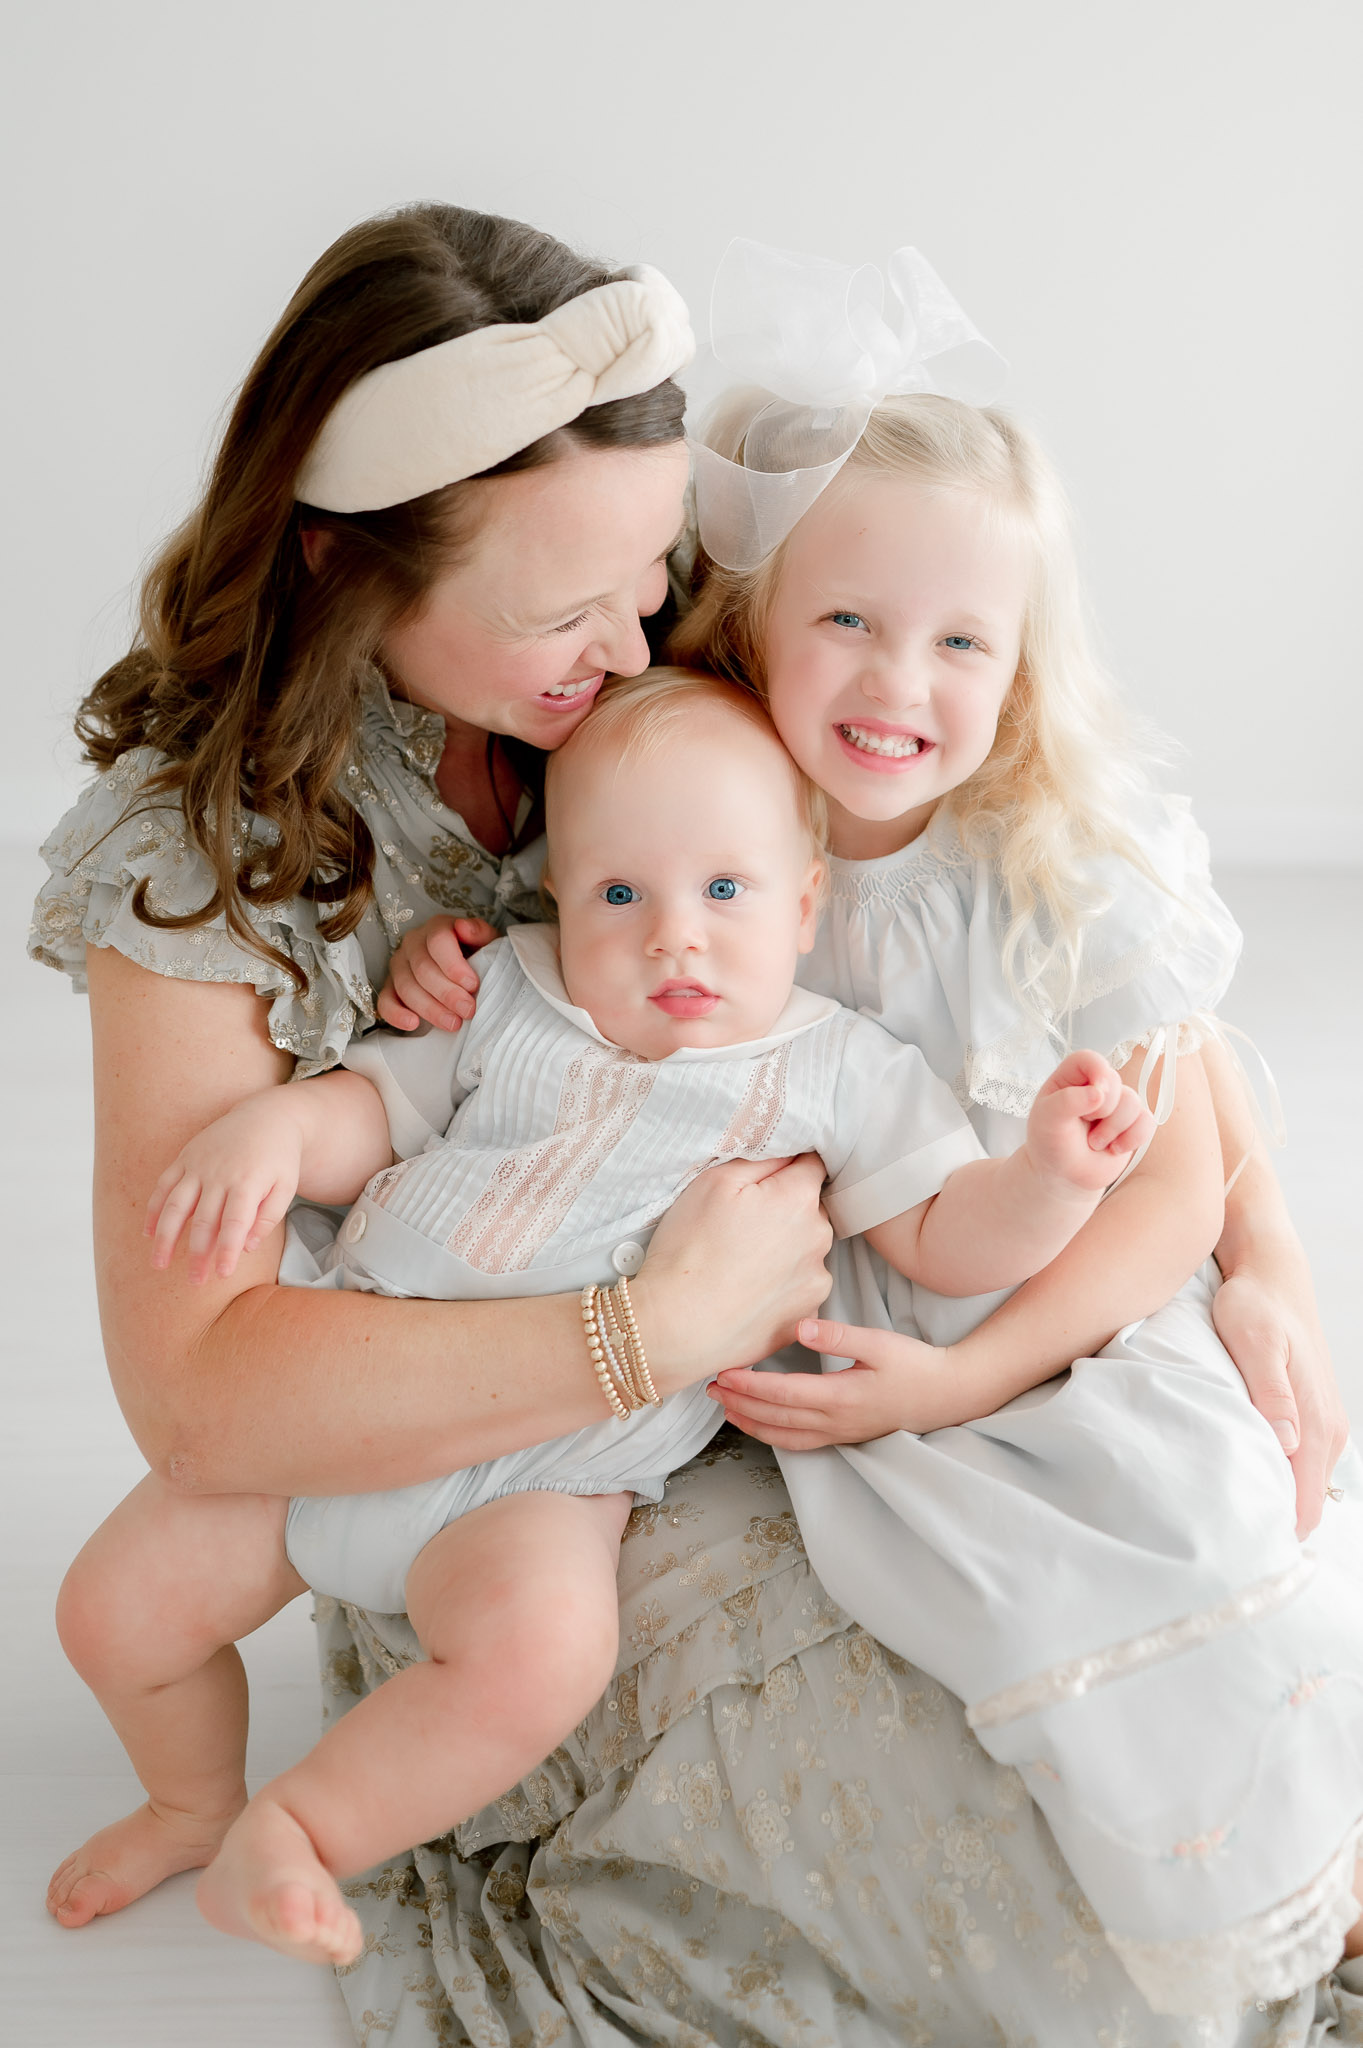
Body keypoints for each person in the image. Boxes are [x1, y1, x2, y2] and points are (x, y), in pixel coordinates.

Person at [31, 206, 1356, 2044]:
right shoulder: (200, 874)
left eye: (651, 573)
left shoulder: (680, 679)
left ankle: (1281, 1871)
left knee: (1099, 1740)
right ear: (345, 567)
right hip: (471, 1443)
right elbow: (202, 1395)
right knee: (956, 1863)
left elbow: (1075, 930)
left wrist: (1265, 1240)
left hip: (758, 1405)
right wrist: (645, 1326)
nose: (641, 631)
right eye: (567, 605)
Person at [56, 669, 1155, 1968]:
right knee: (111, 1613)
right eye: (621, 895)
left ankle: (299, 1831)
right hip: (354, 1406)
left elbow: (944, 1236)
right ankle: (190, 1800)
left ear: (806, 904)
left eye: (725, 893)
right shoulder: (510, 994)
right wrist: (276, 1131)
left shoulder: (838, 1072)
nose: (672, 938)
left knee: (540, 1659)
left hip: (548, 1478)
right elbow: (375, 1115)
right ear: (559, 899)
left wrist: (1051, 1178)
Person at [666, 241, 1363, 2018]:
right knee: (1005, 1611)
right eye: (848, 621)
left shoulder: (1050, 859)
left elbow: (1176, 1177)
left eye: (963, 639)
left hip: (1075, 1294)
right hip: (882, 1302)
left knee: (1215, 1522)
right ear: (749, 622)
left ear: (1020, 658)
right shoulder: (717, 843)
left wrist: (979, 1378)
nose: (902, 681)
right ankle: (1195, 1897)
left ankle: (1308, 1881)